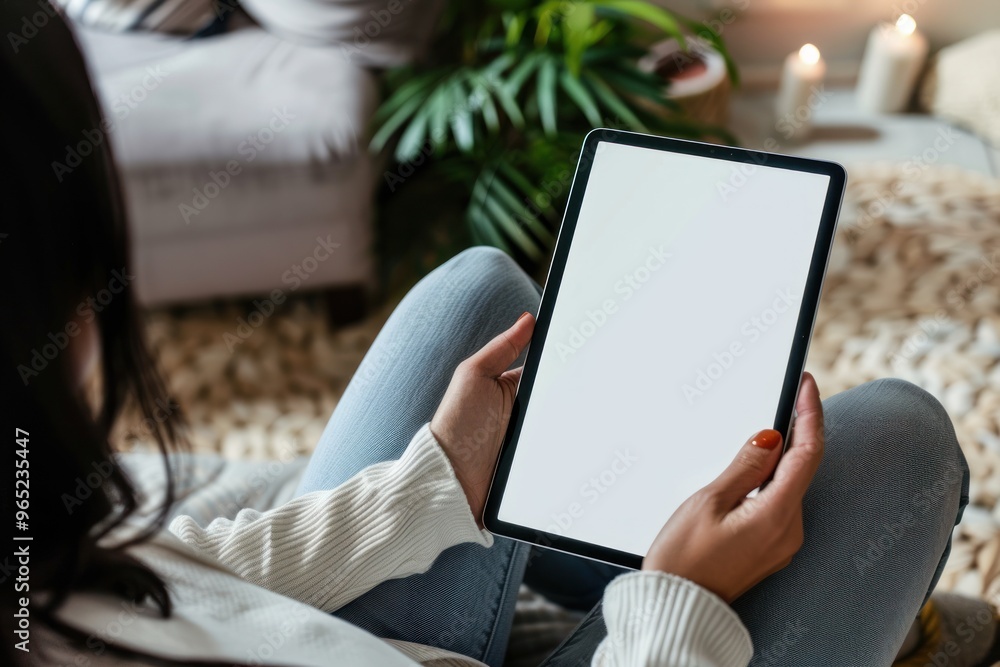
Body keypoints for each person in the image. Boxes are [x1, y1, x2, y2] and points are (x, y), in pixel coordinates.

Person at [2, 1, 996, 665]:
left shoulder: (31, 548)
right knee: (899, 441)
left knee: (480, 293)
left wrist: (428, 485)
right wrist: (678, 602)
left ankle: (647, 548)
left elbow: (176, 583)